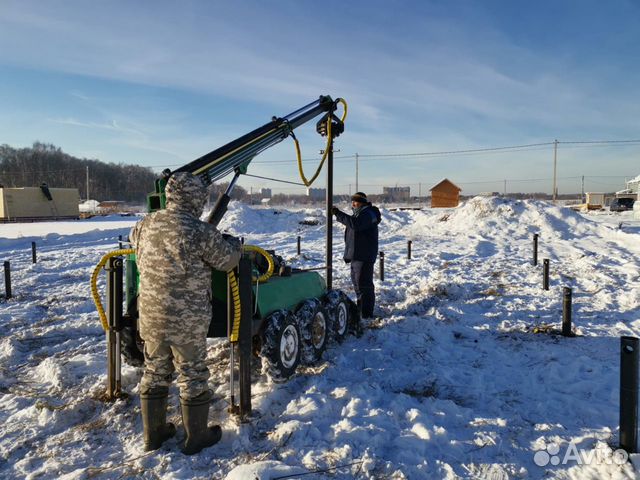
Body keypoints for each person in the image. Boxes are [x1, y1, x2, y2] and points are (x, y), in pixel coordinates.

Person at [129, 172, 242, 454]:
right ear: (197, 198)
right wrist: (236, 247)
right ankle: (197, 437)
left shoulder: (145, 225)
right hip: (187, 320)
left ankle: (153, 435)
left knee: (154, 370)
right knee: (191, 374)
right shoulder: (199, 230)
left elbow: (135, 242)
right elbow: (227, 261)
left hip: (151, 315)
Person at [331, 192, 382, 319]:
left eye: (356, 202)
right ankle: (361, 311)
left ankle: (366, 314)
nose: (353, 204)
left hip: (363, 256)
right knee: (358, 284)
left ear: (363, 202)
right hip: (357, 255)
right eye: (352, 201)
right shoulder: (359, 214)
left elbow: (356, 225)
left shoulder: (368, 214)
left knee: (364, 285)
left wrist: (338, 213)